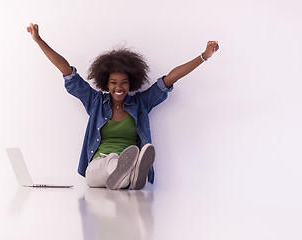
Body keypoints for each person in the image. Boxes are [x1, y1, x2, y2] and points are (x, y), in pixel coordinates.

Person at [27, 23, 219, 190]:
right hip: (99, 163)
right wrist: (39, 40)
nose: (119, 87)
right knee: (98, 173)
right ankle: (130, 173)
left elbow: (171, 77)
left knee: (118, 175)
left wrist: (203, 56)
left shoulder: (141, 103)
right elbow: (66, 70)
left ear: (131, 83)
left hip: (125, 164)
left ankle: (128, 173)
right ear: (106, 83)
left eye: (124, 82)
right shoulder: (95, 102)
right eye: (113, 82)